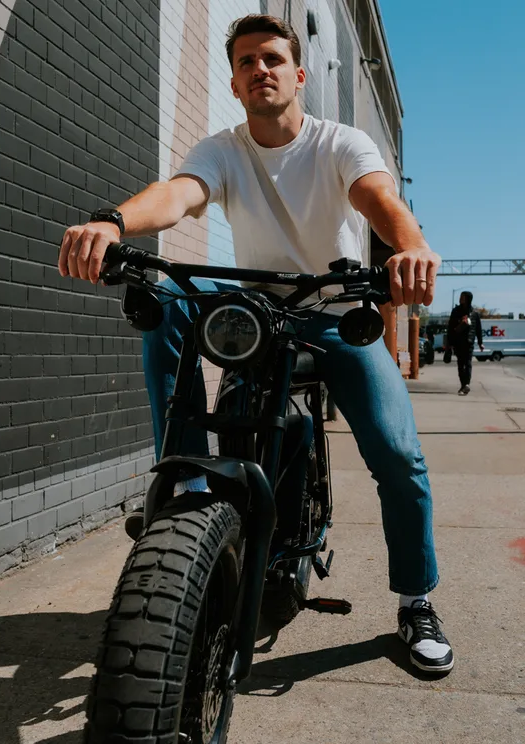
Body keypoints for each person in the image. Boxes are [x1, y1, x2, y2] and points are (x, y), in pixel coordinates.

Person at [57, 16, 452, 673]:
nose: (259, 69)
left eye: (272, 58)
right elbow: (178, 196)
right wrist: (112, 223)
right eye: (245, 62)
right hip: (257, 312)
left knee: (398, 455)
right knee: (165, 296)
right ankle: (182, 477)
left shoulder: (339, 143)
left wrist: (409, 245)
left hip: (332, 310)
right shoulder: (223, 148)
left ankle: (416, 601)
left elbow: (378, 197)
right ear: (236, 83)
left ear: (298, 75)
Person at [447, 291, 484, 395]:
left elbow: (478, 329)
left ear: (468, 299)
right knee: (460, 363)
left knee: (467, 363)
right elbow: (450, 327)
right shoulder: (456, 311)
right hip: (458, 341)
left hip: (469, 342)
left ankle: (466, 384)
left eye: (462, 297)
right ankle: (463, 384)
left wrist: (480, 343)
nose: (460, 299)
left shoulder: (474, 313)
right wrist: (449, 343)